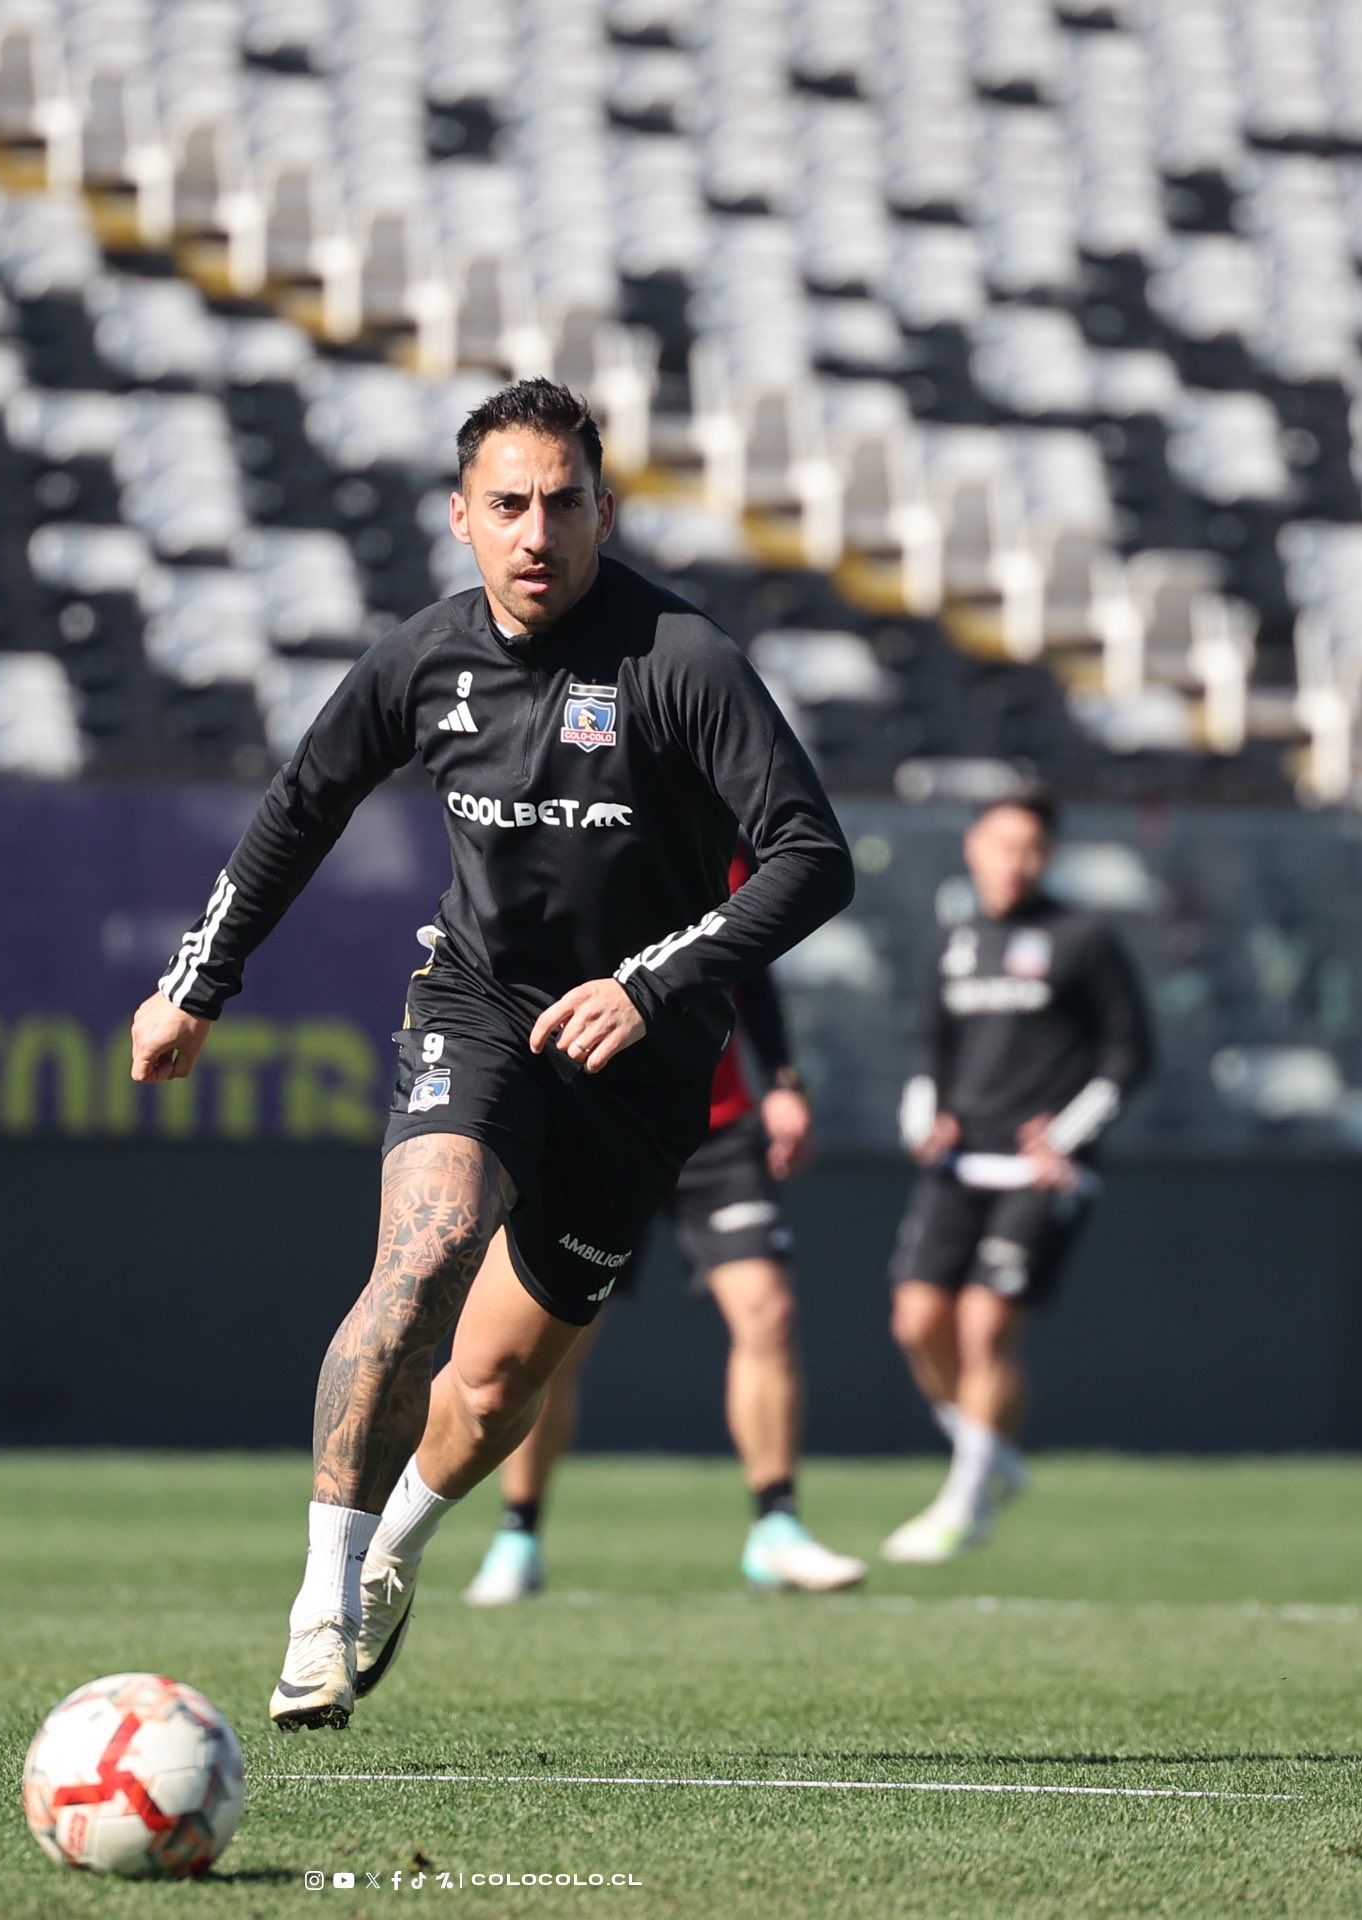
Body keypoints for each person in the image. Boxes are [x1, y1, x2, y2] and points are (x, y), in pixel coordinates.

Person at [129, 378, 855, 1729]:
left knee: (497, 1383)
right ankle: (320, 1603)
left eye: (564, 504)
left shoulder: (681, 662)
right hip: (476, 1010)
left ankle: (400, 1545)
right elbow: (300, 808)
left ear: (603, 510)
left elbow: (816, 861)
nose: (538, 532)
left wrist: (656, 982)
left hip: (643, 1064)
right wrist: (197, 984)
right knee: (426, 1250)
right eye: (508, 506)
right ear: (460, 517)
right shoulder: (422, 662)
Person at [463, 842, 865, 1605]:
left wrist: (782, 1080)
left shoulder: (731, 840)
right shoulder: (587, 814)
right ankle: (519, 1535)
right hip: (604, 1120)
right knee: (556, 1347)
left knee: (768, 1311)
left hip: (719, 1127)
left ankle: (776, 1526)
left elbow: (753, 963)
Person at [883, 790, 1151, 1565]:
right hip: (961, 1164)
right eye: (1002, 844)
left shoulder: (1083, 940)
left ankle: (964, 1505)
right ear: (974, 847)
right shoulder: (959, 939)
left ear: (1050, 856)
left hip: (1042, 1176)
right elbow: (931, 1049)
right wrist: (924, 1115)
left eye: (1031, 847)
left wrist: (1064, 1135)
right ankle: (993, 1456)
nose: (1015, 861)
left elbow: (1129, 1056)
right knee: (917, 1324)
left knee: (985, 1327)